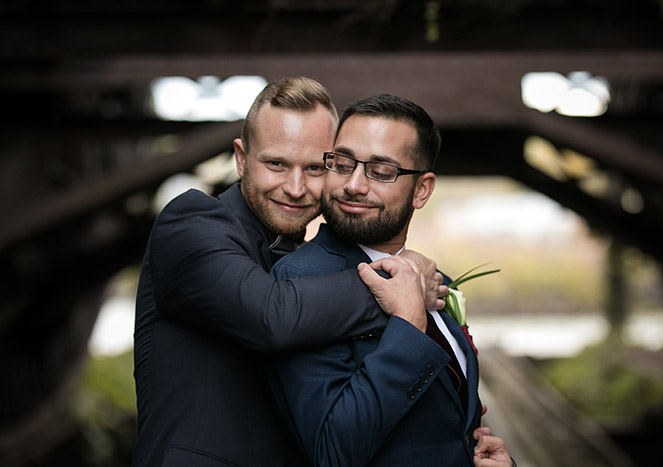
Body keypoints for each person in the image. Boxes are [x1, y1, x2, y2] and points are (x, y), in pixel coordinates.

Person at [132, 78, 445, 466]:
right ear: (242, 159)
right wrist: (401, 284)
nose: (295, 188)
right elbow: (271, 317)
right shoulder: (190, 224)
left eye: (315, 167)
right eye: (277, 164)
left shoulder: (316, 263)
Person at [268, 94, 515, 467]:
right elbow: (332, 453)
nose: (353, 184)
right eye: (343, 163)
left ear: (422, 190)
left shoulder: (436, 281)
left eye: (381, 171)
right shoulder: (298, 281)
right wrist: (408, 325)